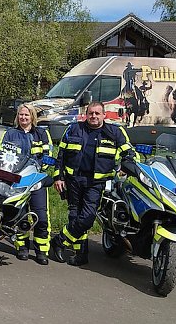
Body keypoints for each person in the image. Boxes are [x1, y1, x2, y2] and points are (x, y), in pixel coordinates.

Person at [52, 101, 135, 266]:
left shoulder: (115, 132)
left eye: (97, 113)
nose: (94, 116)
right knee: (75, 215)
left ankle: (59, 240)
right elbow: (61, 155)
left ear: (104, 115)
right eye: (91, 113)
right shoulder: (73, 129)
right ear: (86, 114)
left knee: (88, 217)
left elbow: (130, 153)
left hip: (96, 183)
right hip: (73, 179)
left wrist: (126, 167)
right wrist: (58, 177)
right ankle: (81, 255)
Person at [4, 103, 53, 265]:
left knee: (41, 216)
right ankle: (22, 248)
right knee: (20, 215)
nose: (23, 118)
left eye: (26, 115)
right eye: (20, 115)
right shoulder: (10, 134)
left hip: (36, 180)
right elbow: (3, 156)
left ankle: (41, 250)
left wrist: (39, 171)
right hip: (17, 181)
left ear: (32, 116)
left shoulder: (42, 133)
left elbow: (48, 154)